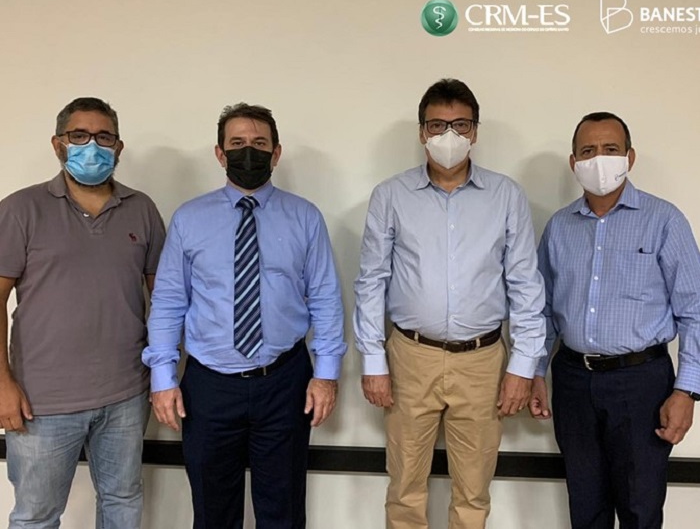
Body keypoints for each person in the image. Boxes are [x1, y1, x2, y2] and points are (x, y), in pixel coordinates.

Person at [353, 78, 546, 529]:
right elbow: (371, 281)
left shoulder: (506, 195)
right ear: (422, 131)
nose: (449, 136)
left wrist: (523, 366)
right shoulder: (391, 195)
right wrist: (373, 360)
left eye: (460, 125)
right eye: (438, 125)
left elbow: (525, 283)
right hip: (410, 356)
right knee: (404, 488)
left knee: (473, 492)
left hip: (482, 360)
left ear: (475, 131)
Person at [143, 102, 346, 529]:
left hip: (284, 381)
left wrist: (326, 375)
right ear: (220, 154)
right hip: (209, 385)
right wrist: (162, 378)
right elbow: (169, 302)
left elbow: (325, 298)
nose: (248, 152)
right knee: (213, 511)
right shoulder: (189, 219)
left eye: (259, 143)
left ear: (276, 153)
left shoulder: (305, 217)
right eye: (237, 144)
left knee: (283, 511)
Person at [0, 97, 165, 528]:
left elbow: (165, 299)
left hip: (126, 394)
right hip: (41, 400)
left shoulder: (142, 210)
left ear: (119, 146)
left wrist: (164, 375)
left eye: (104, 137)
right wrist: (2, 383)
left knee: (122, 502)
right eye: (79, 135)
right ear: (58, 144)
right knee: (36, 517)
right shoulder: (21, 209)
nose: (92, 146)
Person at [530, 111, 700, 529]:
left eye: (610, 149)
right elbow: (544, 310)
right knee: (585, 506)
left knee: (641, 507)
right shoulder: (559, 227)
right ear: (574, 162)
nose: (599, 160)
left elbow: (695, 310)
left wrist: (687, 390)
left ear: (630, 157)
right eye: (588, 151)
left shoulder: (664, 220)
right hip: (573, 381)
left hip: (641, 384)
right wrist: (534, 371)